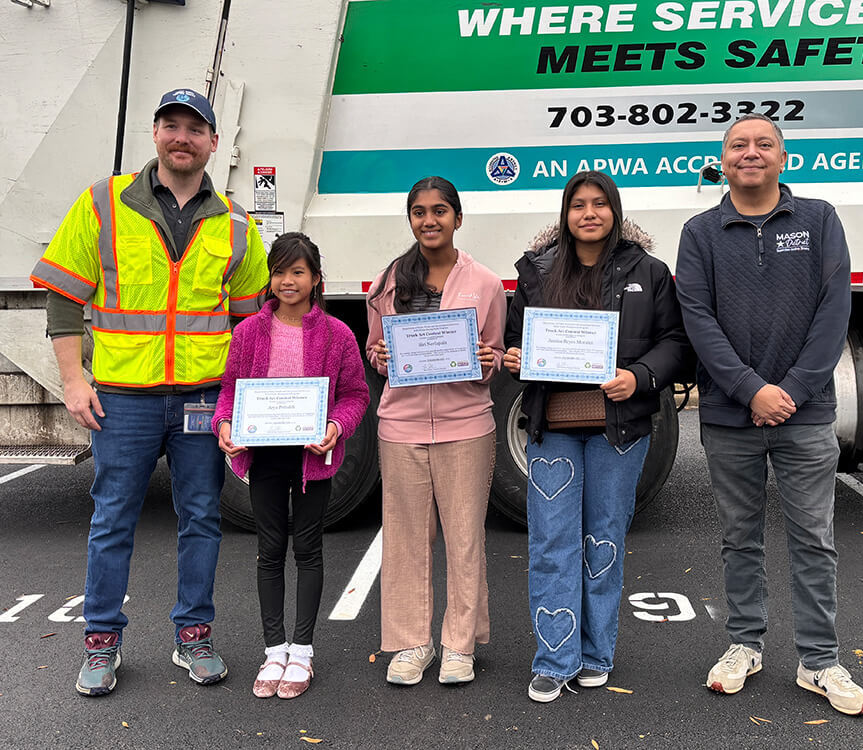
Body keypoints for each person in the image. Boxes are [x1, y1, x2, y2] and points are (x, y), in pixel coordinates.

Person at [29, 88, 269, 696]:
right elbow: (64, 294)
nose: (182, 137)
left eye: (196, 128)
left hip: (200, 396)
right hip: (123, 397)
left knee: (202, 521)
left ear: (214, 142)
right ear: (155, 134)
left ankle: (195, 638)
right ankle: (101, 645)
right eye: (171, 125)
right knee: (112, 520)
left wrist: (244, 398)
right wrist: (74, 379)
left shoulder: (238, 223)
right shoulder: (104, 203)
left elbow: (252, 321)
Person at [674, 113, 863, 716]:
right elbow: (697, 320)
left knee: (814, 539)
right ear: (723, 160)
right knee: (740, 539)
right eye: (739, 145)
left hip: (805, 415)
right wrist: (749, 391)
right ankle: (744, 645)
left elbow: (833, 309)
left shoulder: (818, 220)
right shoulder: (700, 232)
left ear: (784, 157)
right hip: (731, 419)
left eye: (764, 143)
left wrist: (788, 391)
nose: (751, 152)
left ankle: (819, 661)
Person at [503, 171, 693, 703]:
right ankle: (553, 657)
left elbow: (676, 343)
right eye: (578, 205)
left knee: (603, 542)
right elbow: (516, 341)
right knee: (550, 544)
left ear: (615, 210)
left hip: (619, 429)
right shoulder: (537, 273)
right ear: (565, 214)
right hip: (552, 430)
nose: (589, 213)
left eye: (599, 204)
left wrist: (640, 376)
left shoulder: (648, 272)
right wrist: (517, 357)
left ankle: (594, 654)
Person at [212, 232, 370, 699]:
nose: (287, 280)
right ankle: (273, 649)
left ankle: (302, 651)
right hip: (262, 457)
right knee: (269, 550)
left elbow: (355, 395)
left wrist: (337, 427)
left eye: (297, 271)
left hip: (311, 458)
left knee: (308, 549)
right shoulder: (247, 333)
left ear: (316, 279)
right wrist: (223, 424)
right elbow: (229, 390)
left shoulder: (337, 334)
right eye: (279, 271)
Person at [366, 176, 506, 686]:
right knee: (405, 539)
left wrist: (488, 360)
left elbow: (490, 356)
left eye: (440, 211)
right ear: (411, 220)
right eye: (420, 212)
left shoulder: (486, 283)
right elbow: (376, 351)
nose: (430, 220)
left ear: (458, 218)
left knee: (465, 538)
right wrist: (378, 357)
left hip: (466, 425)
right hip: (400, 426)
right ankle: (410, 644)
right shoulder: (386, 281)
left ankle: (459, 645)